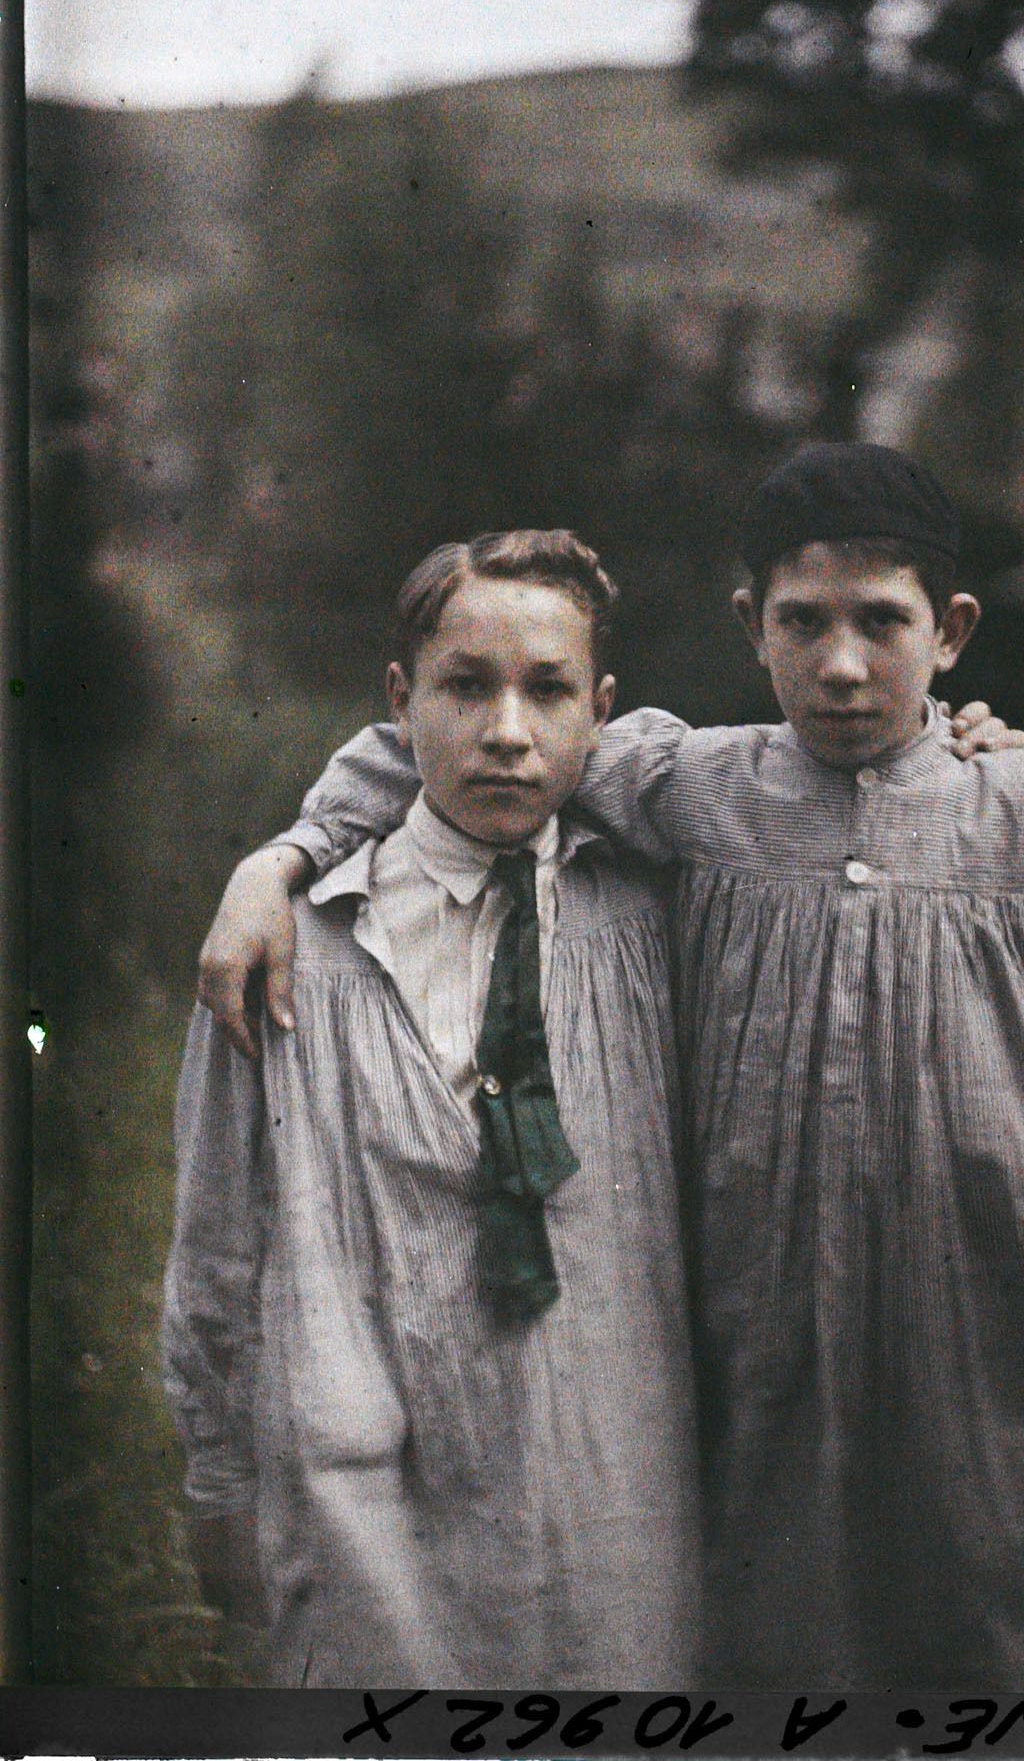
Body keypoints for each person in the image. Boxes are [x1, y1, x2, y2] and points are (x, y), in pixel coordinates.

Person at [198, 444, 1024, 1691]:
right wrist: (283, 860)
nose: (843, 663)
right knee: (793, 1643)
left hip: (1001, 1316)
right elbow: (457, 742)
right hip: (770, 1322)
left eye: (882, 622)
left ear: (950, 630)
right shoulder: (695, 782)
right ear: (752, 626)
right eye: (803, 622)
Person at [162, 529, 704, 1688]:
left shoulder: (661, 915)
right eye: (466, 685)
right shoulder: (283, 945)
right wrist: (216, 1476)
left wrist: (973, 750)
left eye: (547, 689)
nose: (506, 731)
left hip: (614, 1493)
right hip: (367, 1497)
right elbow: (218, 1232)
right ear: (401, 700)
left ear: (599, 709)